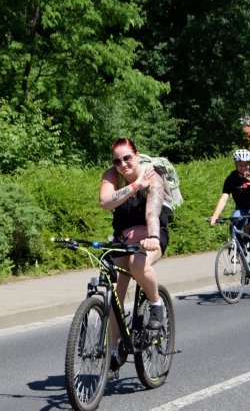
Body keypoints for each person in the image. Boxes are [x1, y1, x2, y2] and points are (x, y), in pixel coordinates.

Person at [99, 138, 169, 375]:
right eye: (117, 160)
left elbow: (152, 212)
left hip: (151, 235)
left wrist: (153, 237)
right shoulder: (113, 174)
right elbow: (105, 202)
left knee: (137, 263)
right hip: (123, 238)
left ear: (136, 155)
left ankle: (156, 304)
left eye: (127, 158)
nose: (122, 164)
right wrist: (135, 185)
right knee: (114, 288)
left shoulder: (153, 177)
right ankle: (114, 350)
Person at [210, 149, 250, 292]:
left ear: (249, 164)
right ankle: (239, 250)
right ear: (236, 164)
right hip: (243, 209)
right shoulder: (231, 178)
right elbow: (224, 197)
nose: (243, 168)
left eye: (245, 164)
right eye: (240, 165)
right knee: (234, 220)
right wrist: (215, 216)